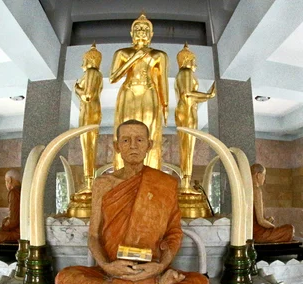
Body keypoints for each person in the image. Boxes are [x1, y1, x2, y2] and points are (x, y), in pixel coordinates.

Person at [56, 120, 209, 284]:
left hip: (152, 271)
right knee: (65, 278)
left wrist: (160, 265)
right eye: (126, 140)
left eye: (139, 139)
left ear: (149, 145)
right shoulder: (103, 184)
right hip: (112, 273)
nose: (133, 146)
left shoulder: (166, 183)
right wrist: (107, 266)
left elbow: (174, 232)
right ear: (116, 146)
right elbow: (93, 235)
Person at [110, 14, 169, 170]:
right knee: (125, 132)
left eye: (145, 29)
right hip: (128, 92)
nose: (141, 31)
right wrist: (133, 58)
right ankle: (122, 173)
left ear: (151, 34)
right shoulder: (122, 53)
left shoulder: (159, 55)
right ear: (132, 33)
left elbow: (162, 81)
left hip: (149, 92)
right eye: (137, 28)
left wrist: (165, 105)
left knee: (150, 133)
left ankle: (151, 172)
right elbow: (113, 78)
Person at [175, 43, 216, 193]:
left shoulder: (185, 74)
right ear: (186, 60)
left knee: (188, 146)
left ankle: (186, 182)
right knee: (187, 147)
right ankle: (185, 184)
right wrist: (207, 95)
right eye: (193, 60)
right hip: (186, 110)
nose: (195, 64)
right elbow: (186, 94)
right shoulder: (185, 73)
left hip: (187, 110)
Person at [74, 43, 103, 193]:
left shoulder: (92, 73)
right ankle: (89, 181)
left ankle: (89, 182)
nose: (82, 64)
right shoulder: (94, 74)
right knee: (87, 145)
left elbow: (87, 96)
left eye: (84, 60)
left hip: (89, 112)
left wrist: (77, 88)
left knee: (88, 146)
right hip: (90, 111)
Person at [251, 163, 295, 243]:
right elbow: (260, 221)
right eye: (264, 175)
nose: (264, 179)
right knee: (290, 229)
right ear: (258, 175)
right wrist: (274, 228)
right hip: (258, 234)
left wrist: (268, 220)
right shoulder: (256, 191)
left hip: (252, 231)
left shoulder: (248, 189)